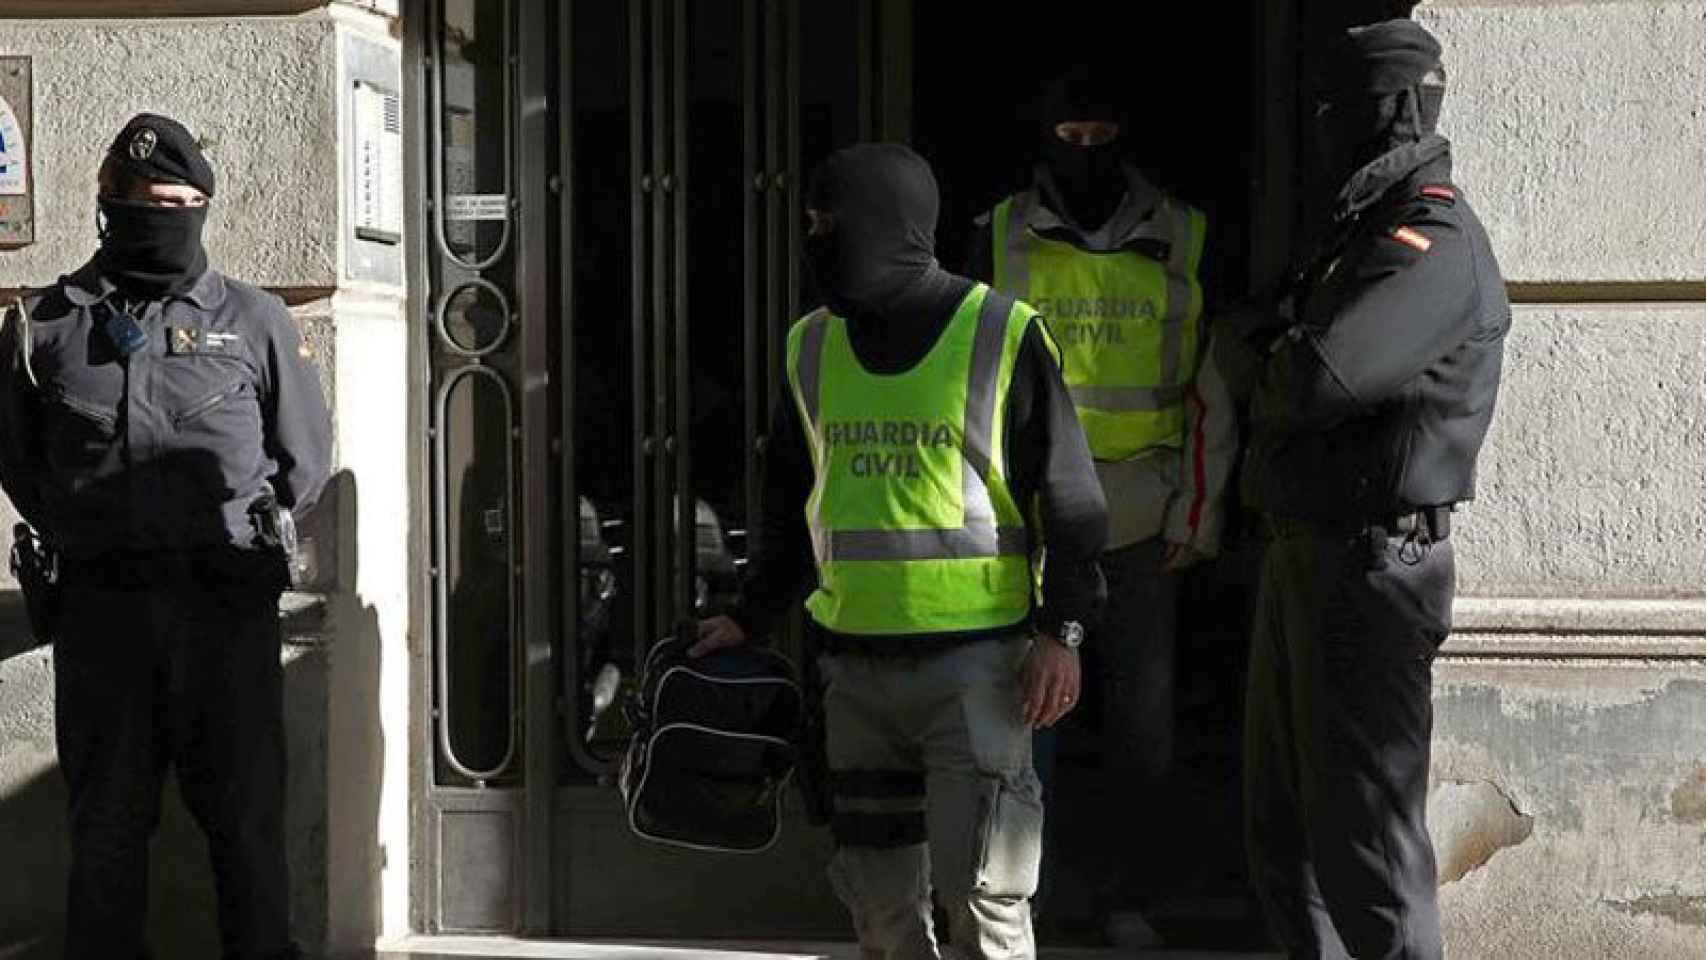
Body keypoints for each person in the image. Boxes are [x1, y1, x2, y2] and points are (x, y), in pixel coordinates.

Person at [694, 142, 1108, 960]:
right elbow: (788, 503)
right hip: (854, 679)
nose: (816, 239)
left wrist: (1064, 633)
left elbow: (1071, 501)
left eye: (828, 224)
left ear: (887, 225)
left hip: (981, 676)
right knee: (881, 914)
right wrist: (750, 617)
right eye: (810, 224)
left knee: (983, 901)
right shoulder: (810, 348)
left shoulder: (1000, 332)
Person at [0, 112, 332, 960]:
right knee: (106, 834)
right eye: (153, 200)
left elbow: (303, 460)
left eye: (186, 200)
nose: (170, 214)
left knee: (247, 828)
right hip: (103, 619)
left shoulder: (253, 322)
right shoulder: (45, 328)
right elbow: (21, 465)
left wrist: (222, 534)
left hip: (224, 611)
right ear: (110, 205)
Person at [1231, 20, 1510, 960]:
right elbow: (1263, 342)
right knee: (1283, 836)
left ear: (1391, 110)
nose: (1321, 131)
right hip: (1308, 554)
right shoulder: (1356, 237)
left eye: (1336, 113)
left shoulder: (1431, 243)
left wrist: (1265, 367)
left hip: (1372, 570)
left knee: (1368, 848)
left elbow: (1311, 381)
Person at [965, 67, 1239, 940]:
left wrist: (1197, 516)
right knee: (1024, 725)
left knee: (1140, 735)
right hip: (1029, 523)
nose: (1084, 153)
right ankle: (1019, 901)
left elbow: (1214, 390)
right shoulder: (997, 236)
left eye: (1100, 137)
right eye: (1068, 136)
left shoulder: (1188, 238)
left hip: (1140, 524)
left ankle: (1128, 899)